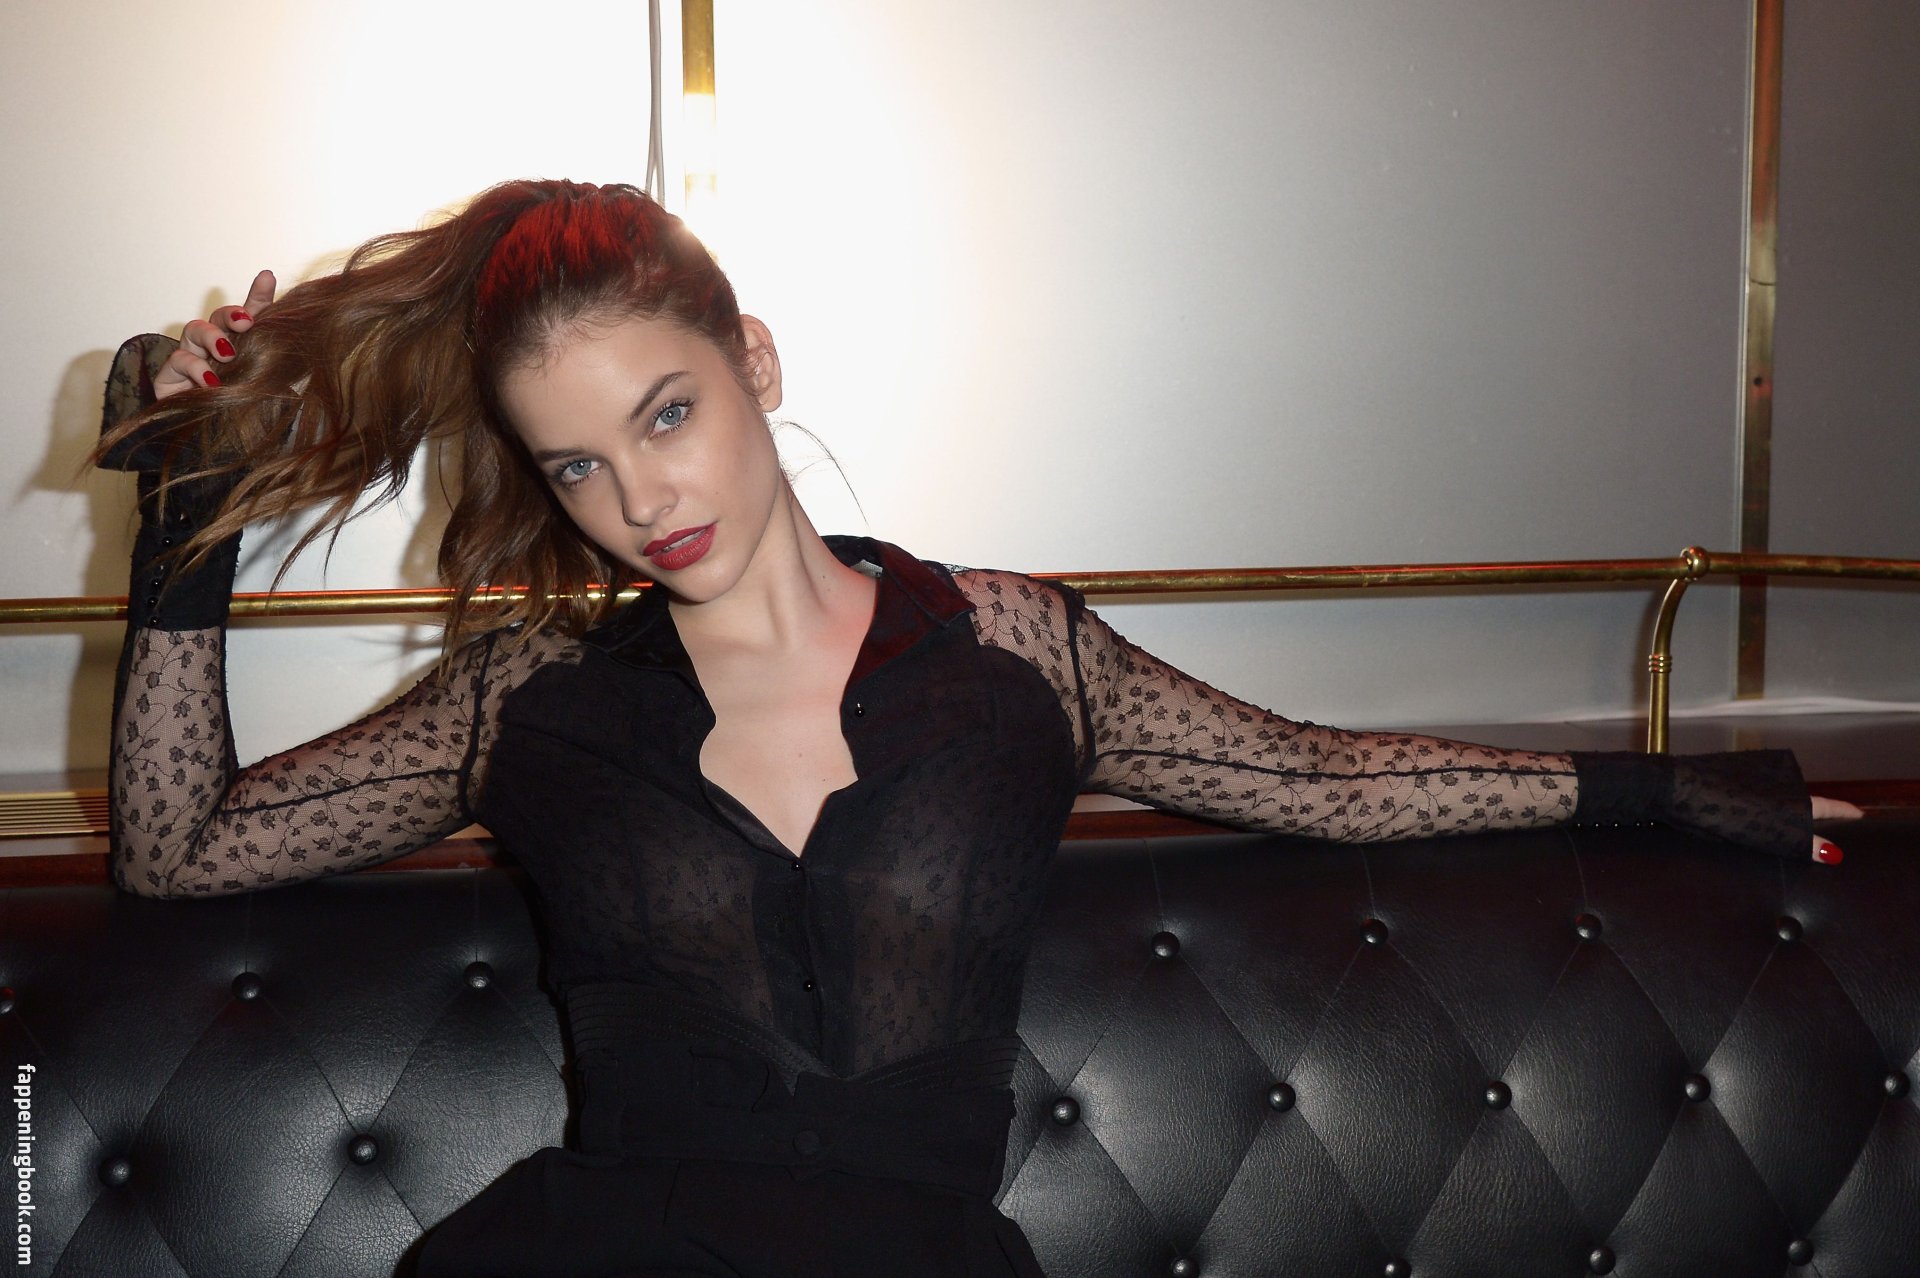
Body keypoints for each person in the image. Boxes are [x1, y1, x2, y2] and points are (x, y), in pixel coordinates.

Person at [91, 179, 1857, 1278]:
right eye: (579, 464)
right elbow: (184, 846)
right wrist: (183, 513)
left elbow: (1319, 774)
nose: (641, 499)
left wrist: (1680, 796)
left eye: (668, 413)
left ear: (754, 362)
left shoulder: (1012, 655)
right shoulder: (528, 696)